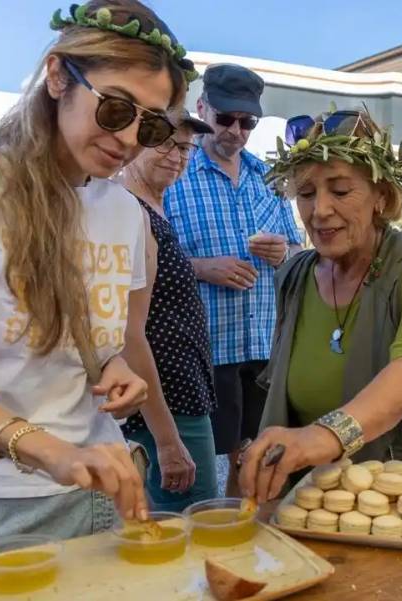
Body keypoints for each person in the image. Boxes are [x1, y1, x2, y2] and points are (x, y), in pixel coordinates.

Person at [0, 0, 198, 559]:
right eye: (116, 108)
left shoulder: (124, 211)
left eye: (152, 124)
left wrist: (117, 370)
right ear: (59, 76)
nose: (131, 137)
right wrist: (52, 452)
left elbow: (110, 343)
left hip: (105, 487)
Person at [239, 109, 402, 503]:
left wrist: (325, 436)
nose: (320, 210)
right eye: (307, 193)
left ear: (381, 197)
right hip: (322, 501)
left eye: (341, 191)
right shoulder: (294, 276)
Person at [165, 63, 303, 497]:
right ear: (202, 108)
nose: (236, 131)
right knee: (199, 471)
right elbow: (145, 259)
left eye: (248, 122)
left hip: (261, 345)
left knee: (254, 462)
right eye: (225, 119)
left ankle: (244, 541)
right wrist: (203, 268)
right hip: (205, 349)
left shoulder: (269, 179)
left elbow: (298, 253)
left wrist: (284, 253)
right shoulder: (174, 174)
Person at [116, 109, 218, 511]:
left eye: (186, 148)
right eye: (165, 142)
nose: (176, 155)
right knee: (193, 530)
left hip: (180, 398)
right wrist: (168, 440)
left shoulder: (152, 210)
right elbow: (128, 333)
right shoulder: (133, 213)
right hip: (168, 407)